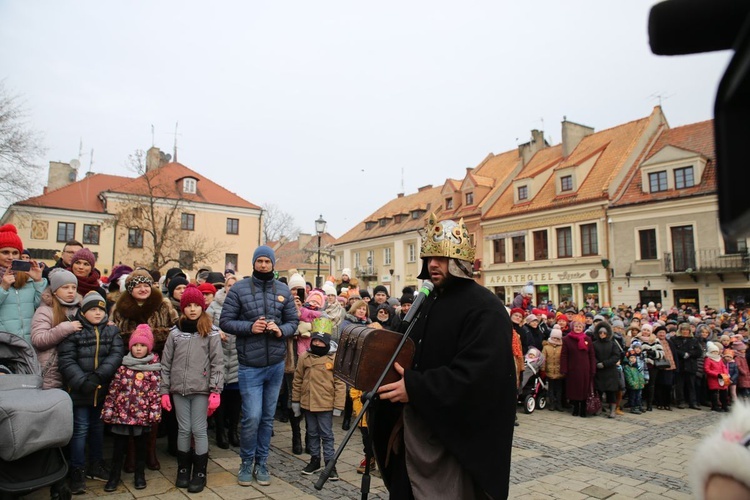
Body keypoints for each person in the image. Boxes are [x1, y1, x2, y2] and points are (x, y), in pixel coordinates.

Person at [374, 214, 516, 499]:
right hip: (415, 428)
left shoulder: (485, 309)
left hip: (455, 441)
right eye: (428, 257)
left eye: (441, 257)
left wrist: (414, 387)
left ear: (460, 261)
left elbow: (478, 376)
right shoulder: (427, 301)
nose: (432, 264)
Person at [220, 245, 299, 487]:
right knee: (251, 417)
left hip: (275, 364)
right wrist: (249, 327)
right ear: (254, 263)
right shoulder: (240, 289)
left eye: (267, 261)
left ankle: (262, 462)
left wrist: (280, 330)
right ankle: (246, 461)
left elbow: (293, 321)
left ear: (273, 264)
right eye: (260, 261)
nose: (263, 265)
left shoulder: (283, 289)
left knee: (266, 418)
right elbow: (225, 321)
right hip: (250, 365)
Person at [110, 269, 178, 470]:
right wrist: (133, 339)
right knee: (130, 410)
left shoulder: (163, 304)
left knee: (152, 410)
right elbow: (114, 335)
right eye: (138, 285)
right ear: (130, 289)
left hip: (157, 363)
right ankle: (131, 454)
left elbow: (175, 331)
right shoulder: (119, 308)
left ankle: (150, 452)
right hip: (129, 365)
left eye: (146, 285)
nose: (143, 289)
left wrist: (149, 337)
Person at [58, 292, 125, 494]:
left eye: (100, 309)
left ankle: (96, 464)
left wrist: (98, 377)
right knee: (80, 430)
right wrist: (82, 381)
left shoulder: (111, 331)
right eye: (92, 309)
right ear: (84, 311)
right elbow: (66, 359)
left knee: (97, 428)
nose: (97, 313)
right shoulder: (74, 330)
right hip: (79, 391)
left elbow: (116, 355)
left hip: (101, 389)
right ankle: (77, 469)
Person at [160, 284, 224, 493]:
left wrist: (215, 390)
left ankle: (200, 471)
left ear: (202, 307)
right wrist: (164, 390)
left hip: (201, 389)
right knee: (183, 429)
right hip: (179, 389)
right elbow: (166, 363)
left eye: (197, 305)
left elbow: (217, 362)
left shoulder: (211, 332)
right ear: (183, 308)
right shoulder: (175, 333)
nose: (193, 309)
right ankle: (183, 469)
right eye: (189, 306)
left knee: (199, 429)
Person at [101, 324, 162, 491]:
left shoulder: (153, 371)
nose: (138, 348)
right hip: (121, 416)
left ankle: (139, 475)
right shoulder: (122, 367)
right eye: (135, 345)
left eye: (142, 345)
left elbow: (155, 394)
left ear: (148, 347)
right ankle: (114, 476)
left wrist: (154, 413)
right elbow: (113, 391)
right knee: (118, 448)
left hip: (142, 418)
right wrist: (108, 410)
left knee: (141, 448)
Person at [291, 322, 346, 480]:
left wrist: (338, 406)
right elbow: (298, 379)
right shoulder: (304, 357)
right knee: (312, 433)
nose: (317, 343)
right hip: (308, 403)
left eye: (321, 341)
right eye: (315, 340)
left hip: (325, 404)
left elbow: (340, 384)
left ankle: (330, 464)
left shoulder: (334, 358)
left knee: (327, 435)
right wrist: (296, 401)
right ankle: (315, 460)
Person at [31, 269, 82, 389]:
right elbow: (38, 340)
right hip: (51, 372)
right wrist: (66, 328)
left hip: (76, 371)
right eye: (65, 287)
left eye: (73, 287)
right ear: (54, 291)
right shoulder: (45, 310)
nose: (70, 291)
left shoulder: (81, 309)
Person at [207, 274, 240, 449]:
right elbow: (205, 324)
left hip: (236, 357)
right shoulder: (214, 305)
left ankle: (233, 431)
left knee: (235, 398)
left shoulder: (243, 305)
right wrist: (216, 331)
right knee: (219, 397)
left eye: (235, 285)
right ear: (225, 287)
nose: (232, 288)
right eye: (229, 285)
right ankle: (220, 432)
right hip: (218, 355)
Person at [0, 224, 47, 344]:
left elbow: (39, 306)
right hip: (4, 343)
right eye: (5, 252)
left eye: (15, 253)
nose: (10, 257)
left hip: (28, 344)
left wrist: (38, 281)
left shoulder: (27, 277)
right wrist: (3, 288)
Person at [561, 315, 596, 418]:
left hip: (585, 369)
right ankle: (575, 408)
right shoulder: (567, 339)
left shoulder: (587, 339)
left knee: (584, 389)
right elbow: (564, 355)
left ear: (583, 328)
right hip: (572, 368)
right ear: (572, 327)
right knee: (574, 389)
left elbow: (592, 355)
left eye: (580, 326)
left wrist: (593, 368)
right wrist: (564, 368)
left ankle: (583, 409)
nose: (578, 328)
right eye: (576, 326)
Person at [593, 321, 621, 418]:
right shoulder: (594, 344)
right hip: (599, 371)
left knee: (611, 392)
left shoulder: (612, 344)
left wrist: (605, 364)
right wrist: (597, 363)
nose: (602, 334)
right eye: (600, 332)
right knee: (599, 391)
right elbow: (592, 355)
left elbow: (616, 356)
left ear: (608, 333)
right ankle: (599, 408)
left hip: (610, 371)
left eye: (604, 333)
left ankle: (612, 410)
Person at [542, 327, 565, 411]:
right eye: (554, 338)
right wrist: (543, 369)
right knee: (550, 389)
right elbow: (543, 358)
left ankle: (558, 403)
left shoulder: (562, 347)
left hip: (559, 372)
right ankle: (552, 403)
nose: (555, 340)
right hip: (550, 371)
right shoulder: (546, 347)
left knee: (559, 389)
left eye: (557, 338)